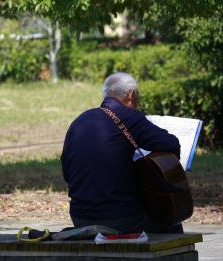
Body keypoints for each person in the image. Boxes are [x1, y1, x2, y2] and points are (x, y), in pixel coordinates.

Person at [61, 72, 183, 234]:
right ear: (131, 95)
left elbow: (67, 172)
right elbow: (171, 144)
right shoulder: (130, 117)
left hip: (80, 217)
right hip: (121, 218)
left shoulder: (80, 121)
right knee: (172, 225)